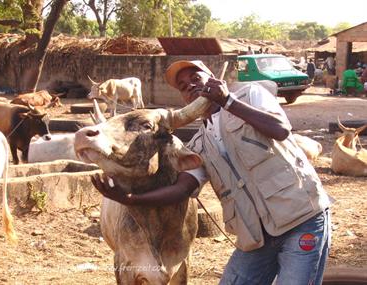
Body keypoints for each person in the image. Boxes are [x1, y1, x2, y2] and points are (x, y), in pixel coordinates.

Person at [92, 60, 332, 285]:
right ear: (185, 99)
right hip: (256, 236)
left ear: (213, 78)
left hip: (301, 219)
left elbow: (280, 130)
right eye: (184, 87)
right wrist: (130, 200)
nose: (191, 86)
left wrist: (228, 102)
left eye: (196, 77)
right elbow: (182, 189)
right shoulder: (198, 145)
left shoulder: (250, 95)